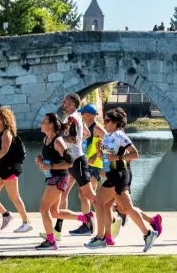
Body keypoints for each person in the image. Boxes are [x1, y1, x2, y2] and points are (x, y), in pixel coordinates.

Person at [85, 108, 160, 252]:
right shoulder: (107, 137)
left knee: (98, 202)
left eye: (107, 121)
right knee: (126, 208)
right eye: (104, 120)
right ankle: (148, 234)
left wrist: (118, 157)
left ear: (115, 123)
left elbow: (135, 154)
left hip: (120, 174)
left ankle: (100, 238)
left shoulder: (120, 135)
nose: (104, 123)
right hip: (112, 174)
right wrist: (98, 152)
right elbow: (106, 157)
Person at [33, 113, 76, 250]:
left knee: (43, 208)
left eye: (44, 121)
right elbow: (52, 159)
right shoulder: (46, 139)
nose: (41, 123)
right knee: (54, 212)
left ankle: (51, 241)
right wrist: (41, 161)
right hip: (52, 177)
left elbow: (70, 162)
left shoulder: (58, 141)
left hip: (59, 178)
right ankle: (85, 218)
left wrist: (50, 166)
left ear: (51, 125)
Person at [56, 94, 96, 238]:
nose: (62, 103)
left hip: (77, 162)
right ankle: (57, 230)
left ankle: (117, 212)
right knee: (63, 194)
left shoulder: (72, 118)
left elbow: (73, 138)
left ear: (72, 105)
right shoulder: (75, 117)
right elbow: (87, 133)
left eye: (65, 102)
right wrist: (77, 143)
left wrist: (57, 138)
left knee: (90, 195)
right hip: (72, 161)